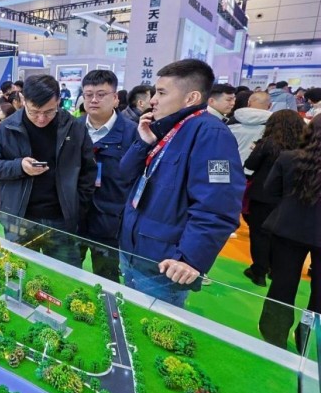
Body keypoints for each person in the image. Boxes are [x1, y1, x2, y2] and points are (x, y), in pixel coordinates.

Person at [118, 59, 245, 307]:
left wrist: (189, 259)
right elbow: (125, 175)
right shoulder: (167, 128)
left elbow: (218, 206)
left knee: (153, 322)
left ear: (191, 98)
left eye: (161, 93)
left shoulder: (212, 134)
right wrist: (143, 143)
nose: (153, 100)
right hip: (136, 248)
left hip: (166, 263)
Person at [0, 74, 96, 267]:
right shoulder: (8, 127)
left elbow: (88, 172)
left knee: (64, 275)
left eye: (50, 111)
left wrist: (77, 207)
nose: (42, 118)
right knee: (20, 273)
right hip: (19, 218)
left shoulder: (74, 128)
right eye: (34, 111)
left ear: (59, 101)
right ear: (23, 100)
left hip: (62, 220)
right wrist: (19, 166)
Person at [258, 114, 320, 351]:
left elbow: (270, 190)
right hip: (298, 230)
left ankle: (274, 334)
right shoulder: (288, 157)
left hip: (287, 229)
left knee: (283, 283)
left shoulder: (288, 158)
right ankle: (306, 337)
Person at [78, 70, 137, 282]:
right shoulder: (72, 129)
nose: (94, 100)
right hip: (75, 216)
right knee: (67, 269)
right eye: (88, 94)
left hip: (111, 221)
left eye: (101, 94)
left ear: (115, 98)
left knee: (107, 278)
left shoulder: (133, 133)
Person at [242, 110, 306, 287]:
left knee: (259, 233)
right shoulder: (304, 146)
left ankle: (259, 271)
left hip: (262, 195)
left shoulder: (268, 143)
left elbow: (250, 164)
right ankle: (273, 269)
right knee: (277, 236)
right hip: (289, 198)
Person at [229, 91, 271, 169]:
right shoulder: (274, 123)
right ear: (270, 105)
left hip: (232, 165)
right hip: (258, 168)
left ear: (248, 103)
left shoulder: (231, 121)